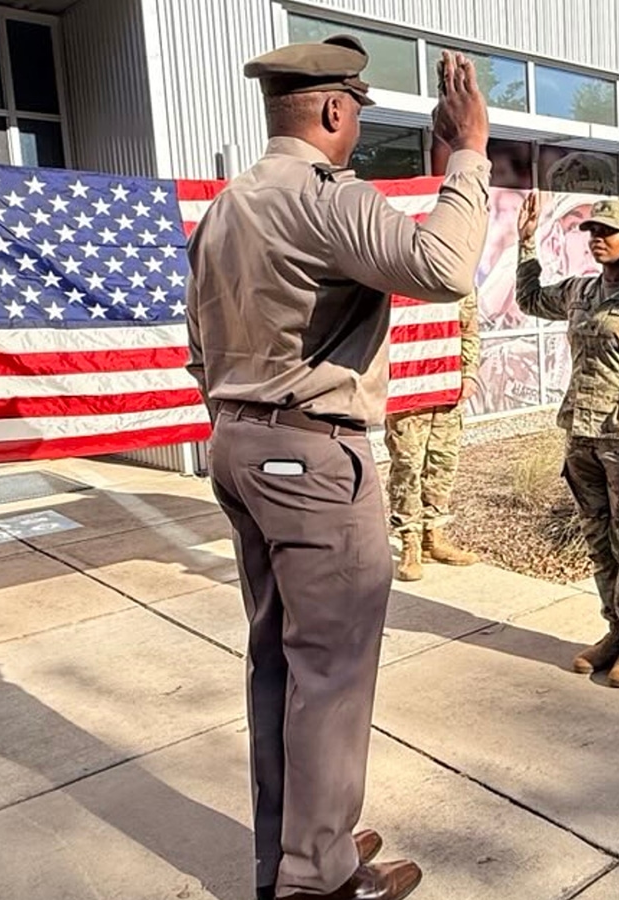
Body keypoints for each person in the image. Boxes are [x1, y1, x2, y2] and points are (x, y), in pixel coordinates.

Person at [185, 35, 491, 900]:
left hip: (238, 443)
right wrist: (466, 154)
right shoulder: (325, 196)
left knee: (278, 664)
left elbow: (198, 347)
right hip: (311, 456)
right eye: (355, 108)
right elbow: (446, 268)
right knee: (331, 673)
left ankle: (294, 849)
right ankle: (317, 881)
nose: (355, 125)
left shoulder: (227, 205)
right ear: (331, 109)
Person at [515, 195, 619, 689]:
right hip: (582, 437)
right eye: (591, 231)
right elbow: (529, 299)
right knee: (598, 539)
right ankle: (613, 629)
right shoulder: (579, 292)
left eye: (607, 231)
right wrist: (525, 242)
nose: (596, 239)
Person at [385, 292, 481, 582]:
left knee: (442, 463)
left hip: (446, 380)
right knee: (407, 465)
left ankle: (432, 535)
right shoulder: (392, 270)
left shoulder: (455, 275)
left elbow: (469, 327)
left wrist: (469, 372)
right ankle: (410, 540)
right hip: (404, 385)